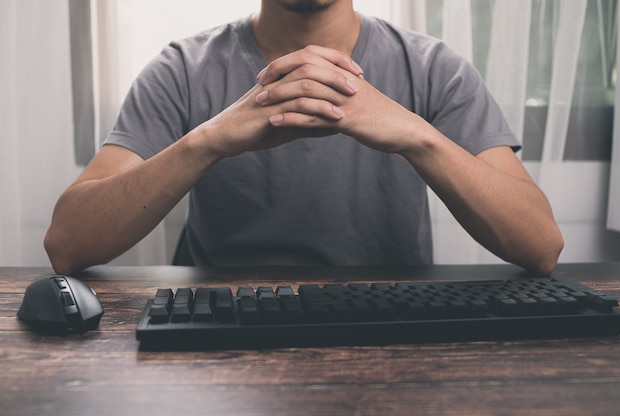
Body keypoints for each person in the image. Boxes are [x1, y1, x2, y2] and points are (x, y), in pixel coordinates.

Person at [44, 0, 563, 276]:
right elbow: (68, 246)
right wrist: (208, 140)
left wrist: (416, 135)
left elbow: (540, 247)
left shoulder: (433, 67)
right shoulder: (182, 68)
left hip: (390, 325)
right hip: (221, 329)